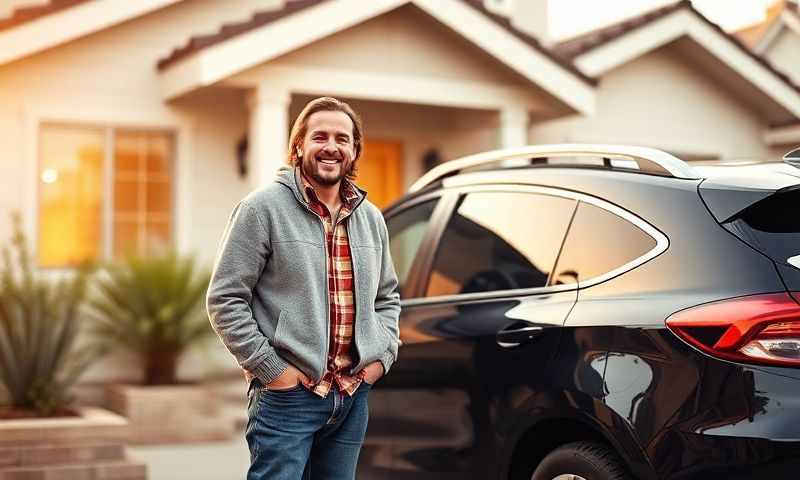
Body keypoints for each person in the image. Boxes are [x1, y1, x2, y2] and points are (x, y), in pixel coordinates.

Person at [206, 97, 401, 480]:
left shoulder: (372, 219)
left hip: (351, 395)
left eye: (343, 139)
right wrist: (272, 370)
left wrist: (382, 358)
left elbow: (387, 298)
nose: (332, 146)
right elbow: (225, 299)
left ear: (355, 150)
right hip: (287, 399)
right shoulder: (262, 209)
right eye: (320, 136)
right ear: (298, 146)